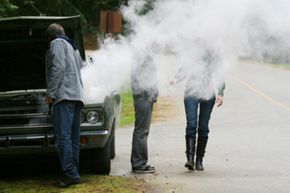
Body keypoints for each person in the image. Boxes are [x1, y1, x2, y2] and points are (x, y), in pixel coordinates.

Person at [170, 49, 225, 171]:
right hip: (191, 92)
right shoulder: (191, 51)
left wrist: (220, 93)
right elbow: (183, 69)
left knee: (203, 127)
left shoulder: (214, 53)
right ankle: (190, 159)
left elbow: (219, 75)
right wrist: (175, 79)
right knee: (191, 125)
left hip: (208, 92)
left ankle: (199, 160)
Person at [45, 23, 84, 187]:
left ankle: (69, 174)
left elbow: (58, 67)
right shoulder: (72, 46)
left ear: (50, 37)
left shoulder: (56, 43)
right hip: (77, 96)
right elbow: (82, 66)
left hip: (64, 96)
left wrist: (51, 93)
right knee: (74, 138)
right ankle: (74, 172)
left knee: (63, 138)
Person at [130, 54, 158, 173]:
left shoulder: (142, 54)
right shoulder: (142, 55)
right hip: (144, 96)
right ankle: (139, 163)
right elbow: (146, 78)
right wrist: (152, 93)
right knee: (142, 131)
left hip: (143, 95)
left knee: (141, 130)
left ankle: (139, 162)